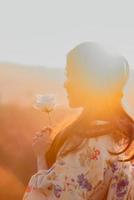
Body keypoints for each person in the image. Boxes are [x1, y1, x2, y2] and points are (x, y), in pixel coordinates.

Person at [23, 42, 134, 200]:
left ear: (88, 81)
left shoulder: (85, 146)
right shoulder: (118, 137)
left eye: (69, 75)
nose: (65, 84)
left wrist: (41, 156)